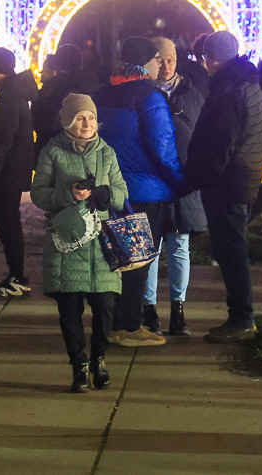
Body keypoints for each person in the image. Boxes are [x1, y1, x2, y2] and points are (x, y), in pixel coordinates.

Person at [31, 94, 128, 392]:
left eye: (91, 117)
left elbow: (122, 192)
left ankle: (99, 358)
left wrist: (105, 194)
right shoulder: (52, 151)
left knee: (106, 307)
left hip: (101, 246)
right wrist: (69, 193)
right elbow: (38, 193)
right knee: (69, 311)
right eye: (79, 118)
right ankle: (79, 365)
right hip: (67, 244)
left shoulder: (107, 152)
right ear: (67, 122)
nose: (87, 123)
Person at [93, 36, 182, 347]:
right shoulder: (150, 97)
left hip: (110, 190)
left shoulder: (103, 93)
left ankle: (111, 322)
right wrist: (179, 179)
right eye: (157, 59)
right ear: (148, 62)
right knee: (138, 262)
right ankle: (129, 327)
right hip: (146, 192)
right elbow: (162, 146)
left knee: (115, 260)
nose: (160, 64)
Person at [183, 31, 262, 343]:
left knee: (231, 250)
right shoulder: (248, 82)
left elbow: (219, 145)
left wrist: (195, 179)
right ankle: (241, 317)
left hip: (228, 183)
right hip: (243, 177)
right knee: (233, 248)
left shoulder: (227, 89)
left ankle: (241, 319)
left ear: (212, 60)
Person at [144, 36, 206, 336]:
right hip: (154, 181)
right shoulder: (144, 93)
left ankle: (178, 310)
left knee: (180, 246)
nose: (166, 66)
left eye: (170, 60)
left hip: (183, 180)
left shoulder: (193, 94)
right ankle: (149, 309)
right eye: (160, 60)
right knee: (151, 248)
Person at [0, 46, 39, 298]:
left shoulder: (8, 96)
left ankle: (17, 276)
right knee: (8, 222)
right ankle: (16, 275)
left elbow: (2, 139)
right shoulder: (12, 91)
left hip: (7, 172)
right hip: (12, 170)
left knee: (8, 224)